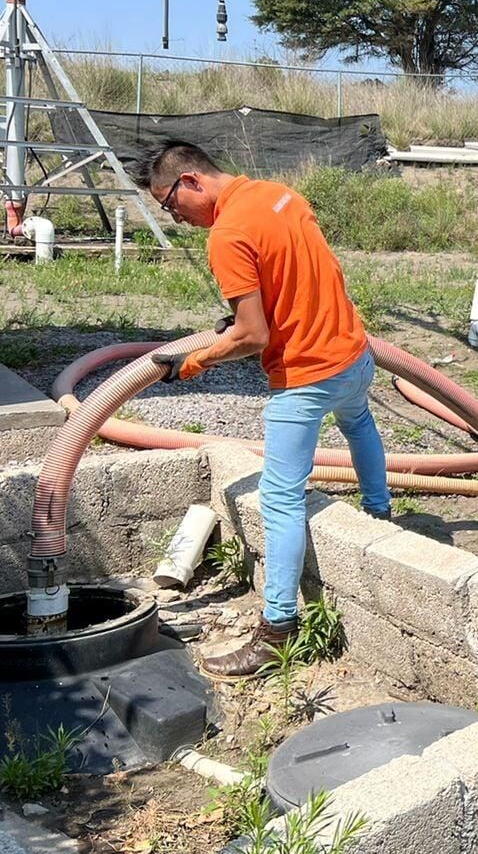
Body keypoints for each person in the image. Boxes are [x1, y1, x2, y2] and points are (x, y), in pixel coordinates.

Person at [134, 141, 390, 677]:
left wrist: (196, 361)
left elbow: (253, 336)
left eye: (169, 204)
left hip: (306, 376)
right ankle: (382, 516)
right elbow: (298, 274)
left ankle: (277, 630)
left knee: (279, 498)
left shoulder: (227, 234)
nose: (174, 217)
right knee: (360, 424)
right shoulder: (278, 195)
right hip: (354, 354)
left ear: (192, 182)